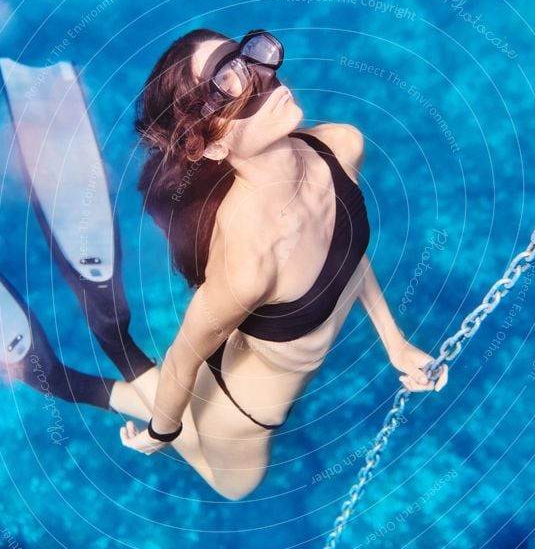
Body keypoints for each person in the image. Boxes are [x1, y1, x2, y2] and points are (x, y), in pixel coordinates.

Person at [118, 28, 448, 500]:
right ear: (212, 147)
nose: (263, 81)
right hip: (242, 416)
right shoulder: (249, 263)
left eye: (247, 60)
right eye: (228, 84)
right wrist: (161, 434)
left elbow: (343, 249)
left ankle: (126, 376)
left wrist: (395, 343)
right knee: (236, 486)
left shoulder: (340, 145)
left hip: (242, 351)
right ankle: (126, 385)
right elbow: (182, 361)